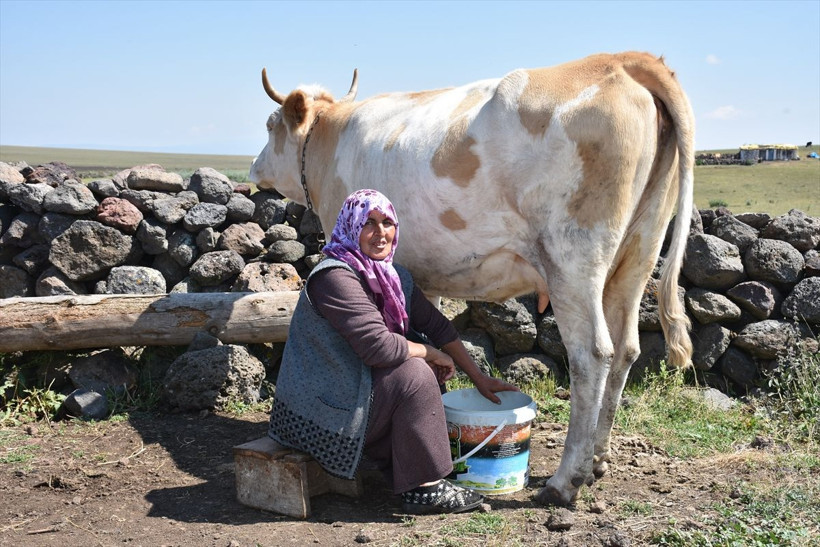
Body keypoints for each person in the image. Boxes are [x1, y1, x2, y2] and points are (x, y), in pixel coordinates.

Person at [268, 189, 520, 514]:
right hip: (323, 407)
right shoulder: (334, 277)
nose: (381, 232)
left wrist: (478, 377)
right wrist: (428, 353)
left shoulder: (393, 277)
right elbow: (378, 347)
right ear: (350, 226)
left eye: (387, 222)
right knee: (415, 373)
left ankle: (413, 466)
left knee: (418, 368)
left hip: (356, 391)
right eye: (368, 223)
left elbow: (439, 327)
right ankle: (423, 489)